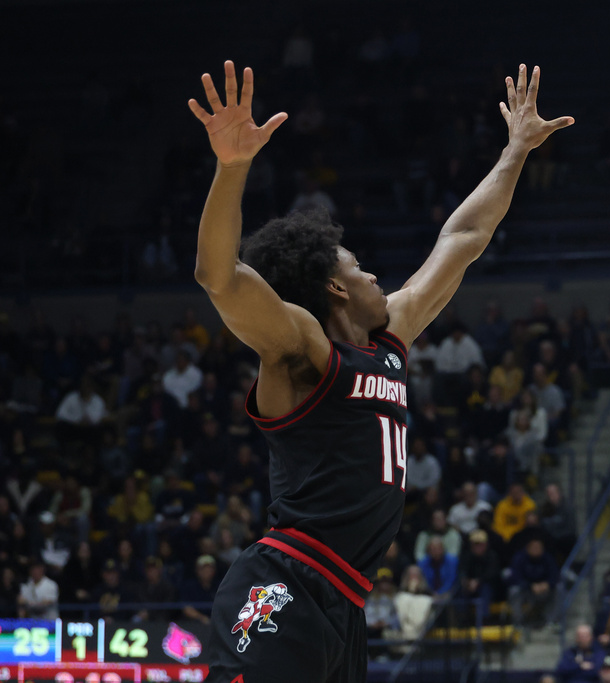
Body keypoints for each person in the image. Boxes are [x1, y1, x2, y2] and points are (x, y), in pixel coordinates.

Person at [187, 59, 570, 681]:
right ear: (334, 289)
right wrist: (232, 169)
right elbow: (220, 277)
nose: (373, 276)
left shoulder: (389, 340)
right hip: (285, 583)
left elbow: (464, 236)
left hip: (347, 602)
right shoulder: (304, 350)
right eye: (359, 266)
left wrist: (517, 149)